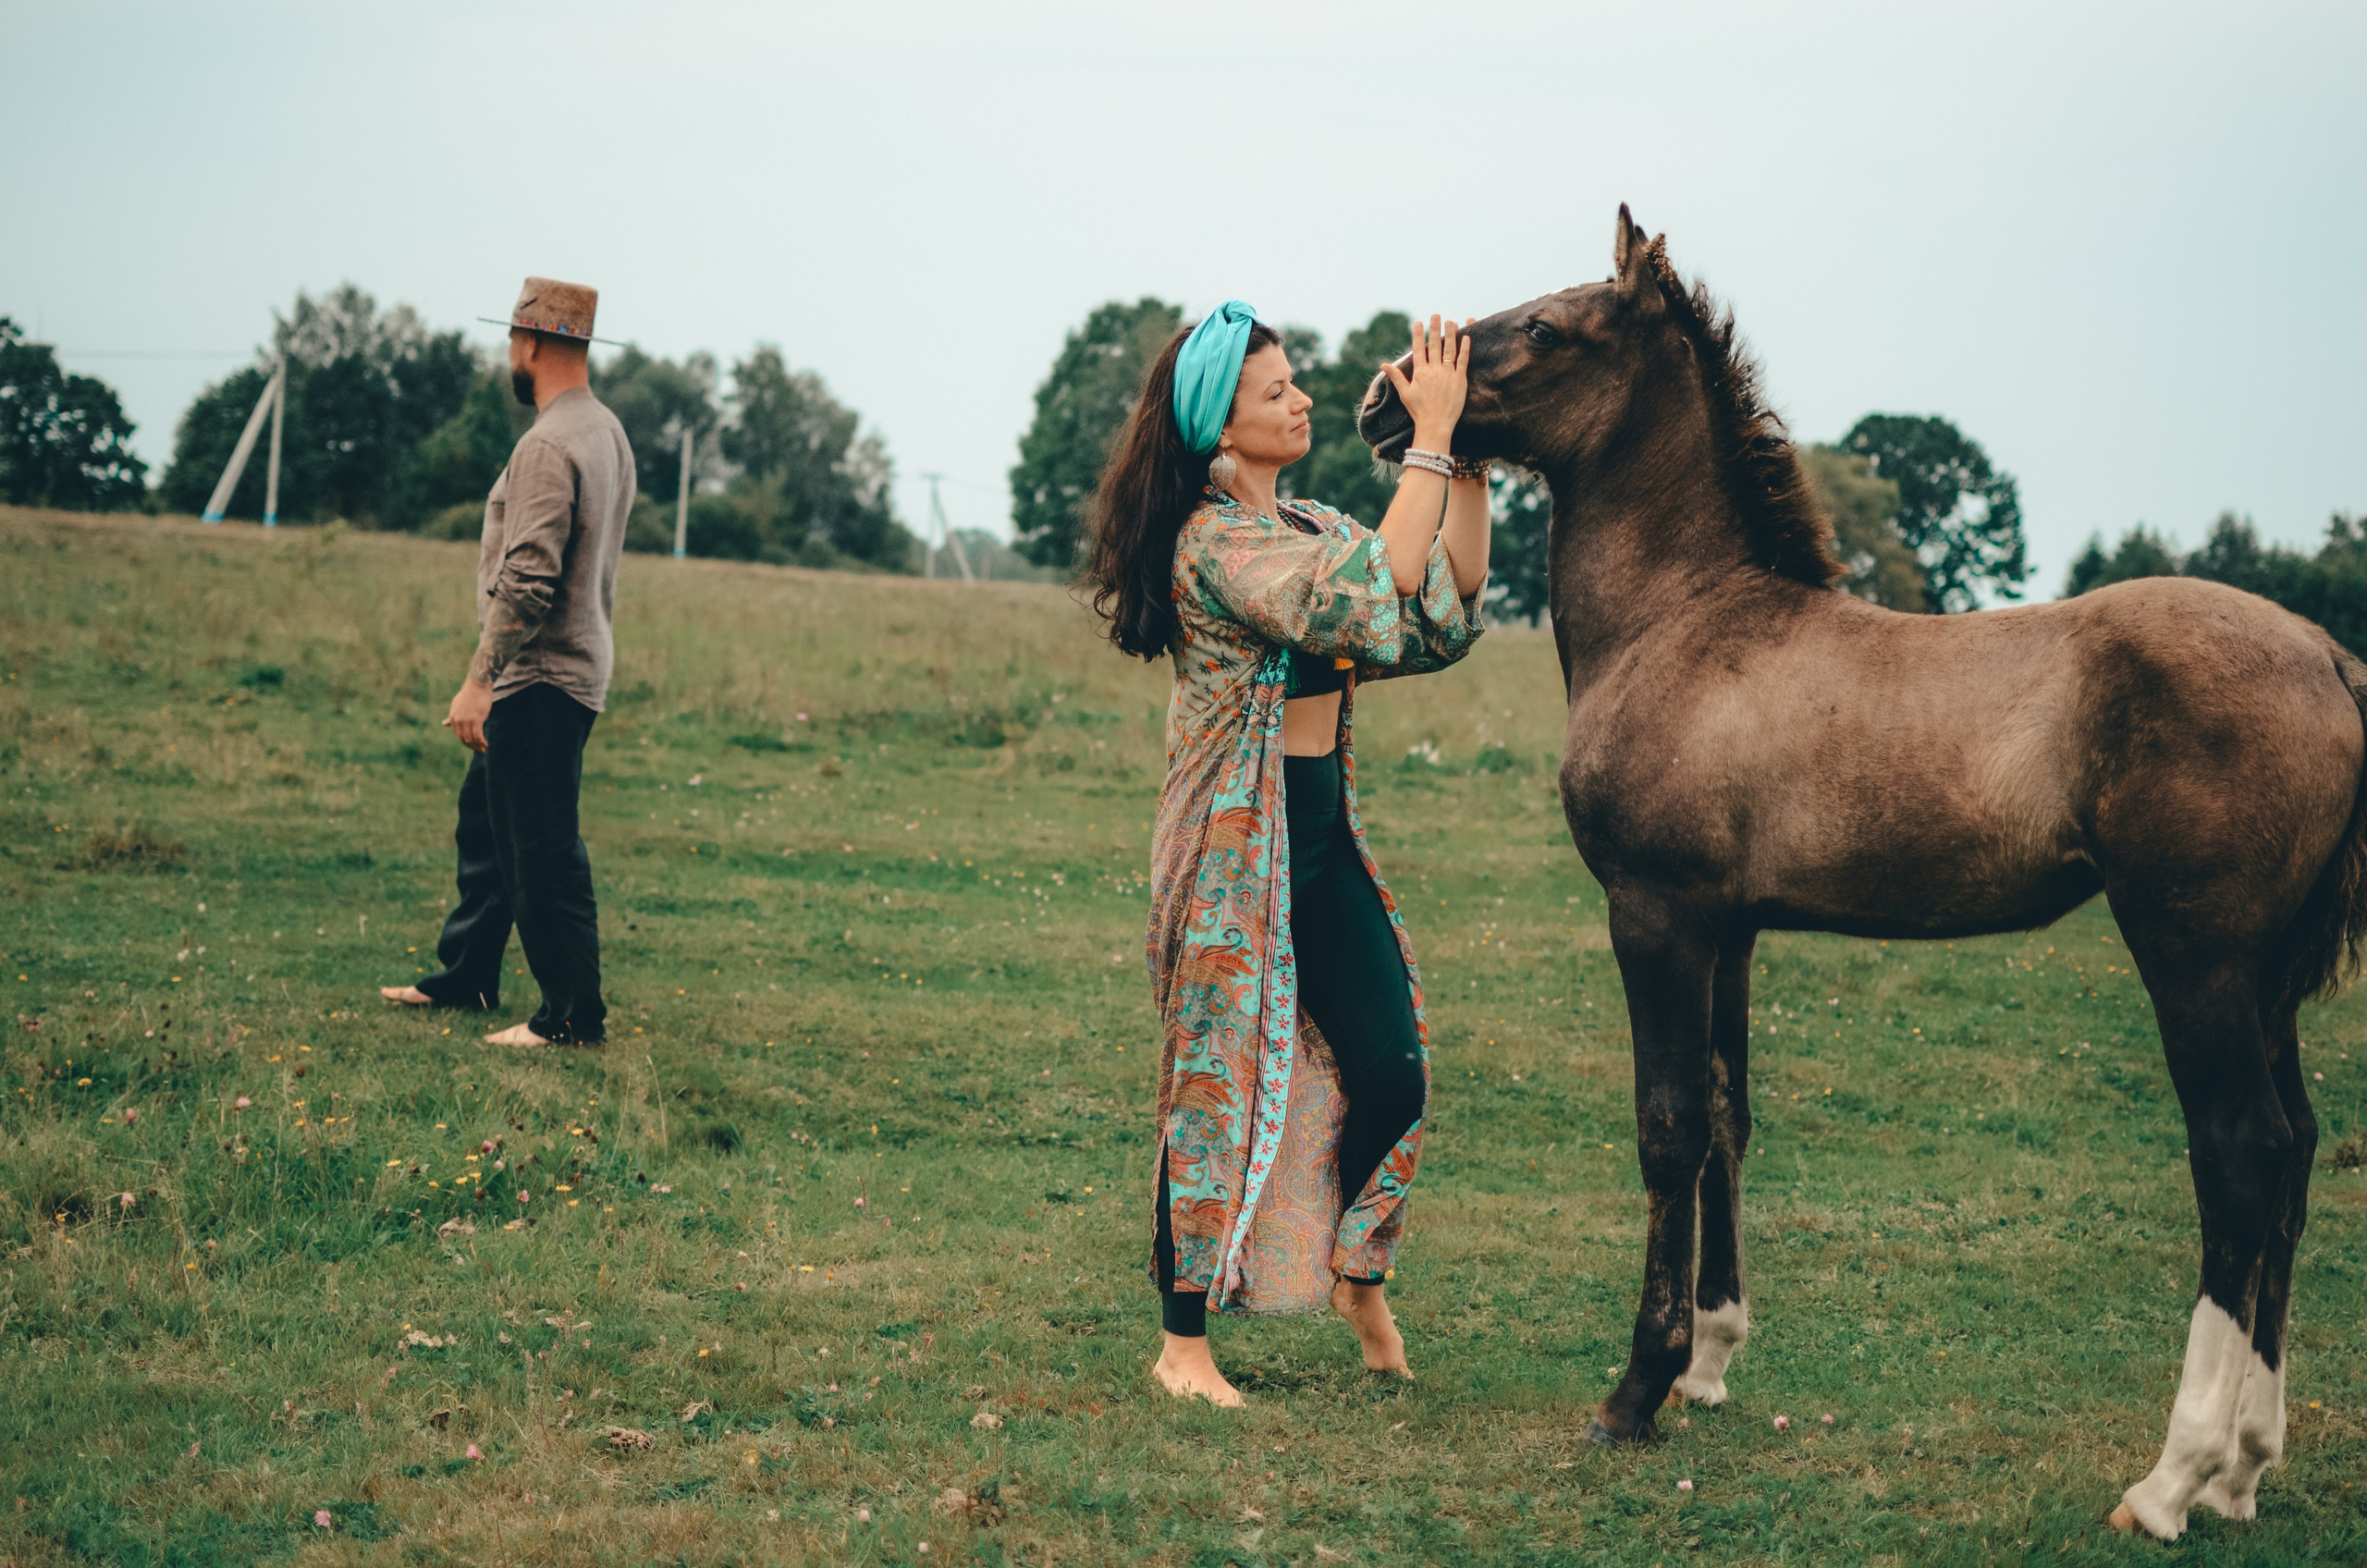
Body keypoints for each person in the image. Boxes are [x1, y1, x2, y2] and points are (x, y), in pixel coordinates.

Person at [1083, 301, 1491, 1405]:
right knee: (1214, 1086)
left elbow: (1433, 614)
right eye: (1275, 390)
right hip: (1228, 853)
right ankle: (1182, 1345)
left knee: (1394, 1068)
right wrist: (1428, 445)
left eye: (1296, 380)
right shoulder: (1214, 541)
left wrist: (1471, 463)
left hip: (1316, 838)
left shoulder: (1306, 521)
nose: (1301, 398)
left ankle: (1358, 1275)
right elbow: (1360, 598)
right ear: (1221, 425)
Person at [380, 277, 632, 1047]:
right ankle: (468, 976)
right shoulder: (604, 429)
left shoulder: (549, 444)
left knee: (541, 846)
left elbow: (528, 578)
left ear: (529, 343)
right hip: (570, 668)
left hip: (541, 675)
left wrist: (479, 681)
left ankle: (569, 1018)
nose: (509, 357)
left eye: (511, 345)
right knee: (487, 828)